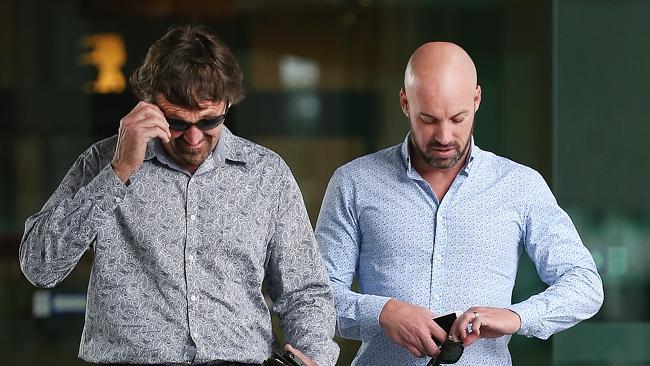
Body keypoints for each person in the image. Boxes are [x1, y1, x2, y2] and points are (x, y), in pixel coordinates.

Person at [19, 24, 339, 366]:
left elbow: (304, 292)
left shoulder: (267, 174)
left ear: (227, 103)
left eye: (208, 121)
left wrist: (312, 358)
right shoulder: (103, 163)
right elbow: (39, 266)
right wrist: (117, 173)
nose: (193, 138)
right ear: (148, 104)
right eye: (177, 122)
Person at [315, 42, 603, 365]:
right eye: (428, 119)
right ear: (405, 103)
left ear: (476, 100)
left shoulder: (521, 185)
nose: (443, 135)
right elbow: (315, 299)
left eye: (457, 118)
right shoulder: (353, 183)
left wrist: (516, 317)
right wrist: (382, 313)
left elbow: (585, 284)